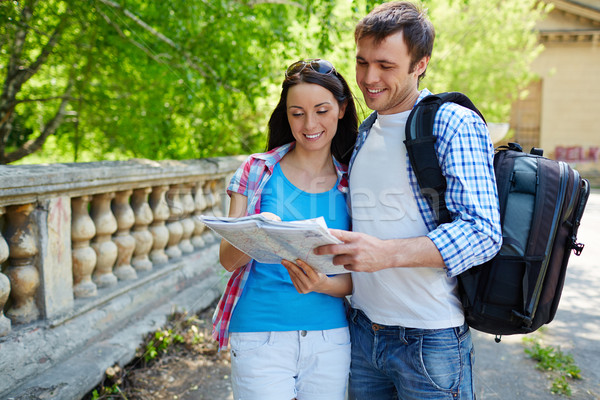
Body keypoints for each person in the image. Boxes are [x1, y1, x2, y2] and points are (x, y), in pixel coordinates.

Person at [310, 2, 502, 399]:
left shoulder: (452, 123)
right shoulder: (366, 130)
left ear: (420, 64)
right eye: (362, 62)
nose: (368, 78)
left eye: (386, 65)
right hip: (363, 333)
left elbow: (483, 232)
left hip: (430, 341)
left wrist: (388, 254)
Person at [212, 59, 359, 400]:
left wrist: (321, 284)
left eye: (322, 110)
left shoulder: (354, 181)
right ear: (286, 115)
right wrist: (256, 229)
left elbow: (359, 276)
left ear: (341, 108)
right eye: (297, 113)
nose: (310, 124)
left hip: (330, 338)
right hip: (259, 334)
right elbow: (227, 261)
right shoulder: (255, 171)